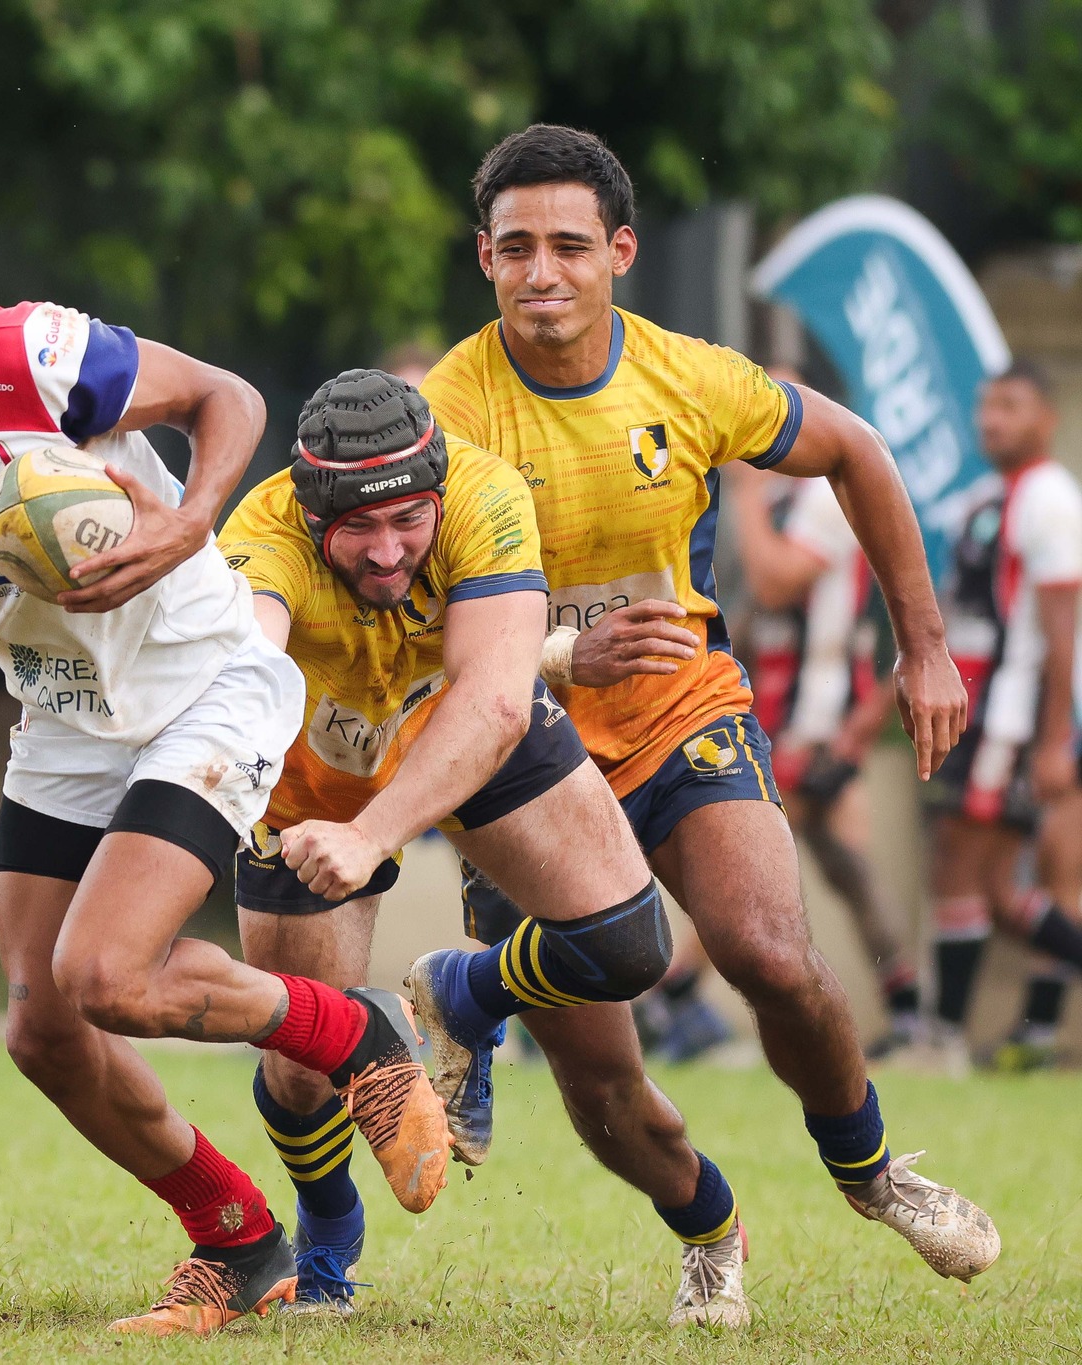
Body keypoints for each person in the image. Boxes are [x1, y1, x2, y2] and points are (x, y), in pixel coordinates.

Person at [0, 185, 449, 1336]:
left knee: (109, 975)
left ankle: (357, 1035)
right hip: (65, 715)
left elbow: (226, 398)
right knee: (41, 1027)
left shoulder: (21, 353)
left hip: (200, 675)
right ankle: (238, 1240)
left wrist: (183, 524)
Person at [418, 123, 998, 1282]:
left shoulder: (688, 377)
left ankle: (875, 1173)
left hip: (683, 710)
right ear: (482, 258)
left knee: (769, 955)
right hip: (517, 746)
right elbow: (418, 627)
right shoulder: (448, 413)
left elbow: (859, 453)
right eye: (516, 247)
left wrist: (923, 647)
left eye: (569, 246)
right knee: (600, 1076)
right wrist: (560, 657)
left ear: (619, 252)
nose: (543, 272)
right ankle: (706, 1231)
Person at [223, 368, 752, 1326]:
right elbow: (246, 664)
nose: (387, 552)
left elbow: (501, 698)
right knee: (300, 1065)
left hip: (467, 724)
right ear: (312, 513)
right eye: (358, 531)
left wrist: (376, 832)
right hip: (306, 777)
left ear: (435, 487)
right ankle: (329, 1240)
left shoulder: (481, 489)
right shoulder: (261, 535)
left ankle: (465, 990)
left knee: (632, 947)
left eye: (407, 523)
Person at [726, 445, 923, 1054]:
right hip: (785, 717)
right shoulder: (789, 502)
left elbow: (773, 580)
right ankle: (909, 1010)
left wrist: (741, 493)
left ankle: (674, 1001)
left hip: (815, 723)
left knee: (744, 875)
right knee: (840, 867)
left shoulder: (819, 497)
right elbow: (756, 612)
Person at [922, 362, 1082, 1073]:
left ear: (1046, 417)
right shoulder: (989, 498)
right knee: (988, 883)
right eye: (988, 406)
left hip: (1015, 721)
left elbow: (1061, 625)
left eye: (1012, 405)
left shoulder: (1049, 497)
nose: (993, 420)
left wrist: (1054, 737)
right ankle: (946, 1037)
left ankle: (944, 1038)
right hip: (985, 716)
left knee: (970, 871)